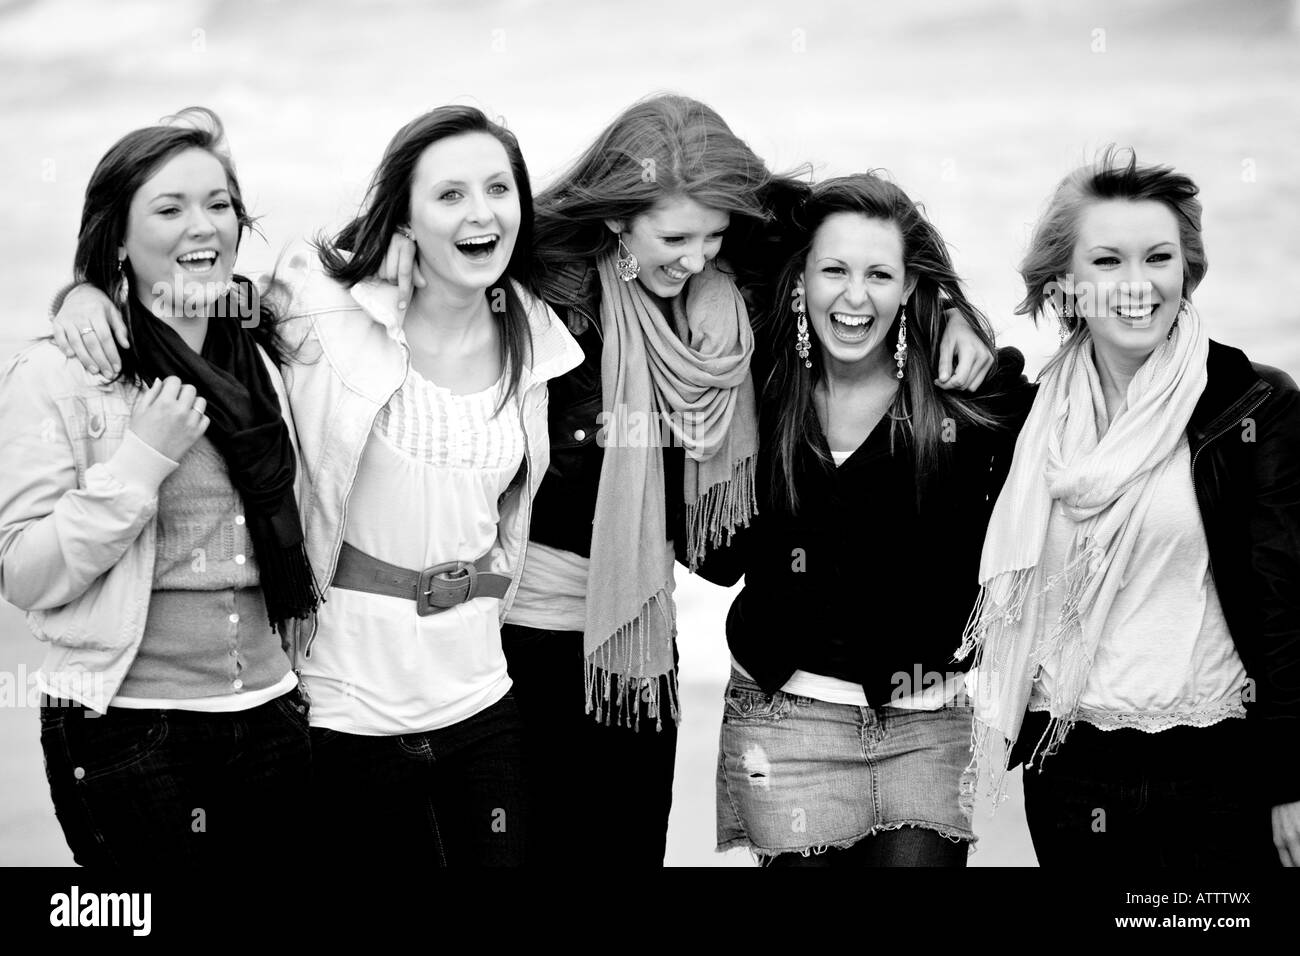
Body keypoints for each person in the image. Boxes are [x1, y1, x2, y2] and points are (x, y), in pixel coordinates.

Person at [50, 105, 583, 866]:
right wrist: (85, 293)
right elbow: (194, 296)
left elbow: (656, 242)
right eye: (450, 194)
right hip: (344, 699)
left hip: (480, 692)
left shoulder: (540, 336)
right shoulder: (326, 306)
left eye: (499, 188)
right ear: (403, 216)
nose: (481, 211)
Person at [958, 147, 1300, 867]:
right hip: (1071, 768)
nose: (1137, 285)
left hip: (1218, 770)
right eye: (1108, 261)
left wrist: (1290, 779)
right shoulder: (1024, 419)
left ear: (1188, 270)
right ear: (1066, 284)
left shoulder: (1254, 404)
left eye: (1160, 258)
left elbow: (1286, 609)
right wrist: (950, 321)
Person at [0, 108, 315, 866]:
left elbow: (377, 286)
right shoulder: (61, 374)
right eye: (169, 209)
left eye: (218, 204)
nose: (201, 226)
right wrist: (138, 463)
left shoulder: (273, 349)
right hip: (128, 730)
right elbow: (24, 571)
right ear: (118, 236)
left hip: (272, 710)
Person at [692, 172, 1033, 866]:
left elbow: (1075, 465)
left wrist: (955, 315)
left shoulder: (968, 398)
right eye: (833, 270)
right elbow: (718, 557)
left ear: (909, 287)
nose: (854, 297)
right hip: (786, 723)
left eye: (880, 274)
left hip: (926, 723)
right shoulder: (759, 392)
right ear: (800, 281)